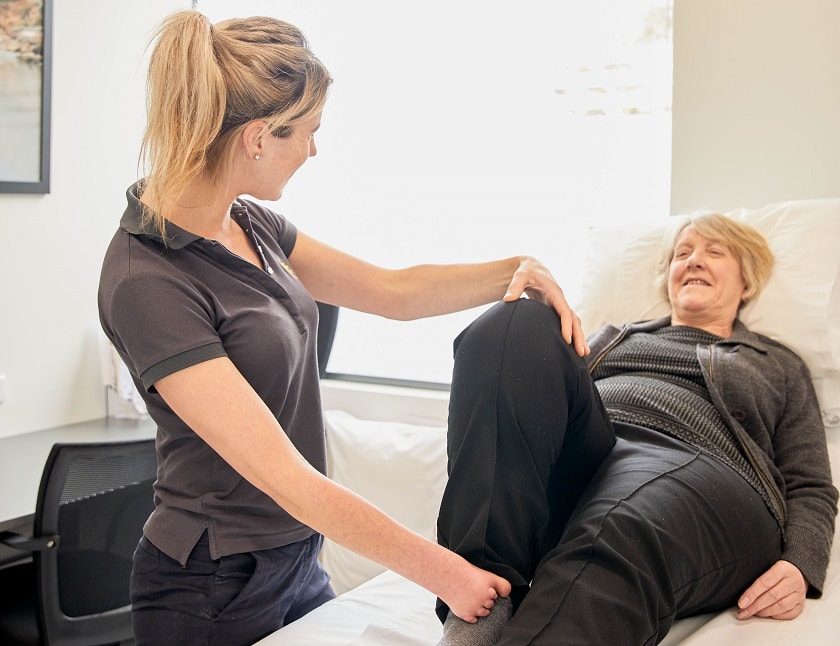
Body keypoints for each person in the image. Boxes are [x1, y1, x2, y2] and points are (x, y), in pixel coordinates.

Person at [95, 10, 596, 645]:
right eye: (307, 132)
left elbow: (390, 291)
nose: (313, 149)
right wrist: (446, 572)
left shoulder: (250, 225)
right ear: (257, 138)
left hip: (297, 556)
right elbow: (286, 477)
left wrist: (515, 268)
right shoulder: (149, 280)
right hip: (209, 584)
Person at [435, 213, 838, 645]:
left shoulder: (778, 363)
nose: (694, 261)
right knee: (516, 321)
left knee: (619, 522)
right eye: (683, 253)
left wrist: (800, 562)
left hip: (707, 473)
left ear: (747, 282)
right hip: (596, 448)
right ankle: (480, 599)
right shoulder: (612, 337)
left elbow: (810, 483)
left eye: (714, 252)